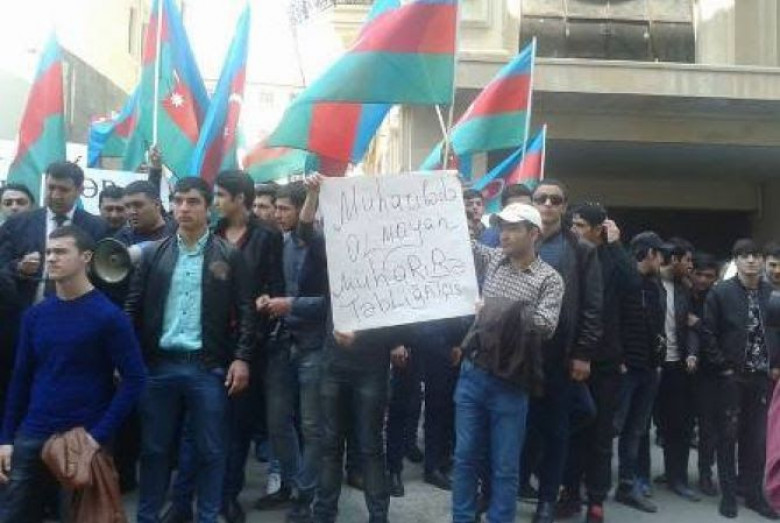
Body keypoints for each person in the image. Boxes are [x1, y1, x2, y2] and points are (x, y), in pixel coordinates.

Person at [126, 177, 255, 523]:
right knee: (154, 450)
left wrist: (242, 358)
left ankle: (207, 516)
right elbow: (132, 307)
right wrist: (126, 358)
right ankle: (147, 517)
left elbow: (247, 312)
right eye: (178, 200)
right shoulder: (154, 254)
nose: (184, 208)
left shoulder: (229, 255)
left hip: (207, 367)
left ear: (209, 207)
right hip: (159, 366)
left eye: (193, 201)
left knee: (211, 450)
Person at [0, 225, 146, 522]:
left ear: (86, 257)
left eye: (61, 251)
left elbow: (135, 379)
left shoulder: (109, 317)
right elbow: (21, 378)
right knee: (14, 515)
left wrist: (98, 436)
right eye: (49, 252)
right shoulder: (35, 315)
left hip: (82, 436)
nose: (52, 258)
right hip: (32, 431)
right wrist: (6, 439)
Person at [165, 170, 284, 523]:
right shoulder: (213, 232)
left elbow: (276, 284)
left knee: (236, 427)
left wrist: (265, 302)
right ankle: (183, 500)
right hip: (209, 341)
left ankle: (227, 496)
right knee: (195, 425)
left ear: (240, 199)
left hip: (248, 344)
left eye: (219, 196)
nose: (214, 202)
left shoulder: (267, 236)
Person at [452, 203, 565, 523]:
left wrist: (495, 311)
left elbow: (546, 324)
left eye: (513, 228)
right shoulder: (493, 259)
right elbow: (458, 239)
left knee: (505, 465)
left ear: (534, 234)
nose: (504, 234)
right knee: (464, 458)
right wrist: (448, 198)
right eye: (502, 227)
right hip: (474, 372)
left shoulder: (549, 279)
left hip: (512, 380)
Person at [523, 180, 603, 523]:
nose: (548, 204)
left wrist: (583, 353)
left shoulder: (581, 249)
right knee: (516, 426)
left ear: (564, 206)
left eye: (555, 200)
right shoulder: (517, 239)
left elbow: (592, 307)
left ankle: (546, 500)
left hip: (559, 356)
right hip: (516, 356)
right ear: (532, 202)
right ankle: (503, 488)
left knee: (556, 430)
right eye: (541, 198)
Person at [254, 182, 328, 522]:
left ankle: (306, 495)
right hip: (282, 342)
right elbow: (272, 287)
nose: (277, 214)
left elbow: (332, 303)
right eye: (277, 208)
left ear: (302, 211)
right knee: (276, 421)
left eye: (284, 209)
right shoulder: (276, 243)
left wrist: (291, 304)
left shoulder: (323, 246)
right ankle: (292, 482)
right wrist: (266, 299)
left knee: (312, 426)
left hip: (314, 345)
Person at [561, 203, 637, 523]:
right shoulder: (566, 254)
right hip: (569, 359)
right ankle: (568, 493)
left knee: (601, 436)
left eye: (580, 225)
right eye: (572, 224)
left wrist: (616, 245)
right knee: (569, 431)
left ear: (597, 230)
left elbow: (633, 286)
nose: (574, 231)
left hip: (604, 363)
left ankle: (596, 500)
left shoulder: (612, 259)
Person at [702, 239, 780, 519]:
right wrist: (723, 366)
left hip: (762, 377)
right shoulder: (721, 292)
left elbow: (778, 332)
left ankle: (753, 494)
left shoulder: (772, 294)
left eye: (756, 255)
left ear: (762, 261)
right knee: (728, 435)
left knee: (756, 440)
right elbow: (707, 333)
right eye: (745, 256)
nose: (751, 261)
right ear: (736, 260)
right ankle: (728, 495)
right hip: (731, 376)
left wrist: (776, 364)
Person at [0, 162, 108, 308]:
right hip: (23, 310)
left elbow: (102, 275)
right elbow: (2, 267)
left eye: (64, 190)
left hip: (76, 310)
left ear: (79, 190)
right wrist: (19, 266)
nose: (56, 195)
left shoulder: (96, 227)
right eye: (51, 187)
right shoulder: (17, 224)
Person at [613, 231, 666, 514]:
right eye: (659, 254)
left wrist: (657, 362)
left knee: (635, 430)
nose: (662, 260)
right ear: (649, 253)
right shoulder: (623, 281)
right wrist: (619, 359)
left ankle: (626, 485)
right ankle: (584, 482)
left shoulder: (655, 285)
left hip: (648, 368)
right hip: (625, 369)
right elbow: (612, 321)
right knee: (611, 427)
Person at [657, 237, 701, 501]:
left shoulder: (685, 288)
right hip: (651, 365)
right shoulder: (649, 284)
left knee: (680, 424)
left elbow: (692, 325)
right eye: (687, 260)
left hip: (677, 365)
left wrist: (692, 353)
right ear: (674, 260)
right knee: (648, 425)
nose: (691, 265)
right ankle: (638, 480)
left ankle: (678, 477)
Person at [689, 253, 720, 496]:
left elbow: (722, 332)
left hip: (711, 371)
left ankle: (705, 474)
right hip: (683, 368)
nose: (702, 280)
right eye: (699, 274)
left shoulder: (720, 298)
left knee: (709, 428)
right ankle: (675, 472)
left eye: (708, 276)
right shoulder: (684, 294)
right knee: (678, 424)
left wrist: (698, 324)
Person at [115, 180, 176, 246]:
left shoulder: (177, 233)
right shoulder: (121, 239)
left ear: (157, 204)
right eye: (127, 206)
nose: (132, 212)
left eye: (138, 205)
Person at [480, 183, 533, 247]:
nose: (522, 213)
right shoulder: (491, 237)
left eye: (527, 208)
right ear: (502, 209)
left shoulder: (540, 232)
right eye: (515, 208)